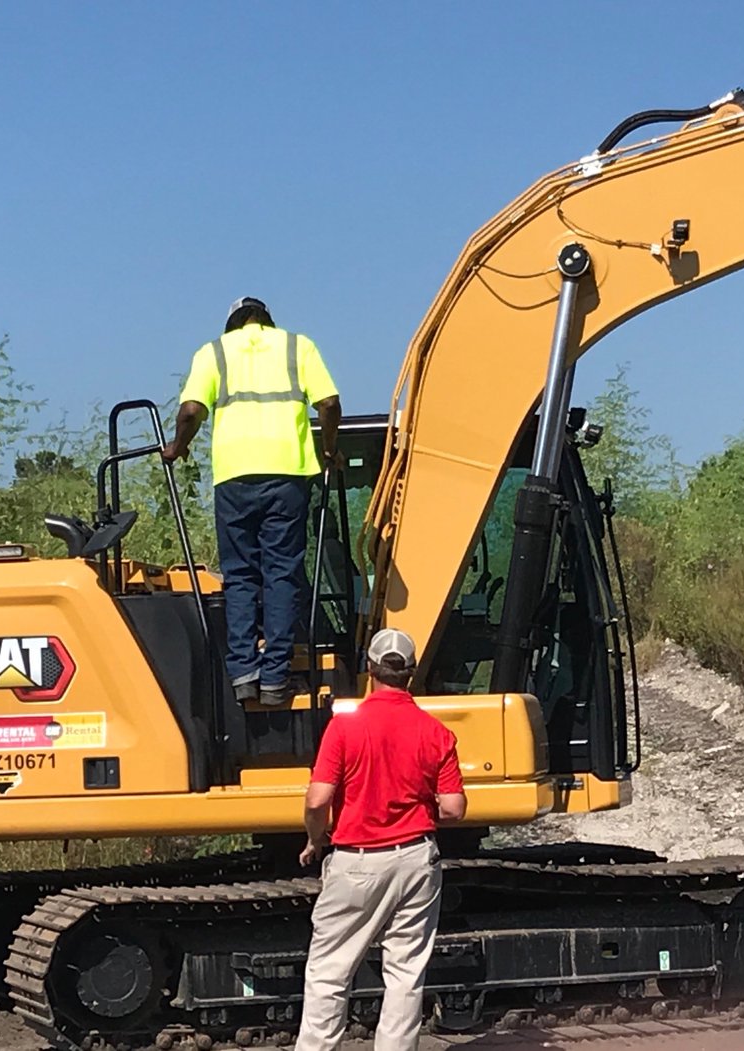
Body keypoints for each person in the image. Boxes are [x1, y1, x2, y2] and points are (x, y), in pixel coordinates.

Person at [163, 297, 341, 706]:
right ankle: (276, 679)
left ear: (232, 326)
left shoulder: (214, 352)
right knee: (282, 574)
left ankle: (243, 673)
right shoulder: (298, 347)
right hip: (289, 475)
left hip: (234, 477)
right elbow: (329, 404)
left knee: (241, 575)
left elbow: (191, 410)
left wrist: (177, 446)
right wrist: (329, 449)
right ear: (268, 321)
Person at [295, 628, 467, 1051]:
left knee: (330, 972)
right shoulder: (436, 733)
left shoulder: (344, 729)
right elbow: (453, 808)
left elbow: (318, 799)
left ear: (369, 670)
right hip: (415, 861)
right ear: (410, 673)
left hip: (356, 861)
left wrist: (315, 839)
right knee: (406, 975)